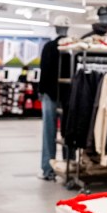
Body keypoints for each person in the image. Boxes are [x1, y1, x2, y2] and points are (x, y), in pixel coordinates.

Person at [37, 15, 70, 180]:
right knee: (67, 132)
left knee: (48, 132)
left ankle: (47, 170)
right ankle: (69, 166)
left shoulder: (49, 47)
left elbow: (44, 71)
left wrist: (40, 91)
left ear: (55, 28)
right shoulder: (73, 48)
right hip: (68, 96)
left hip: (50, 95)